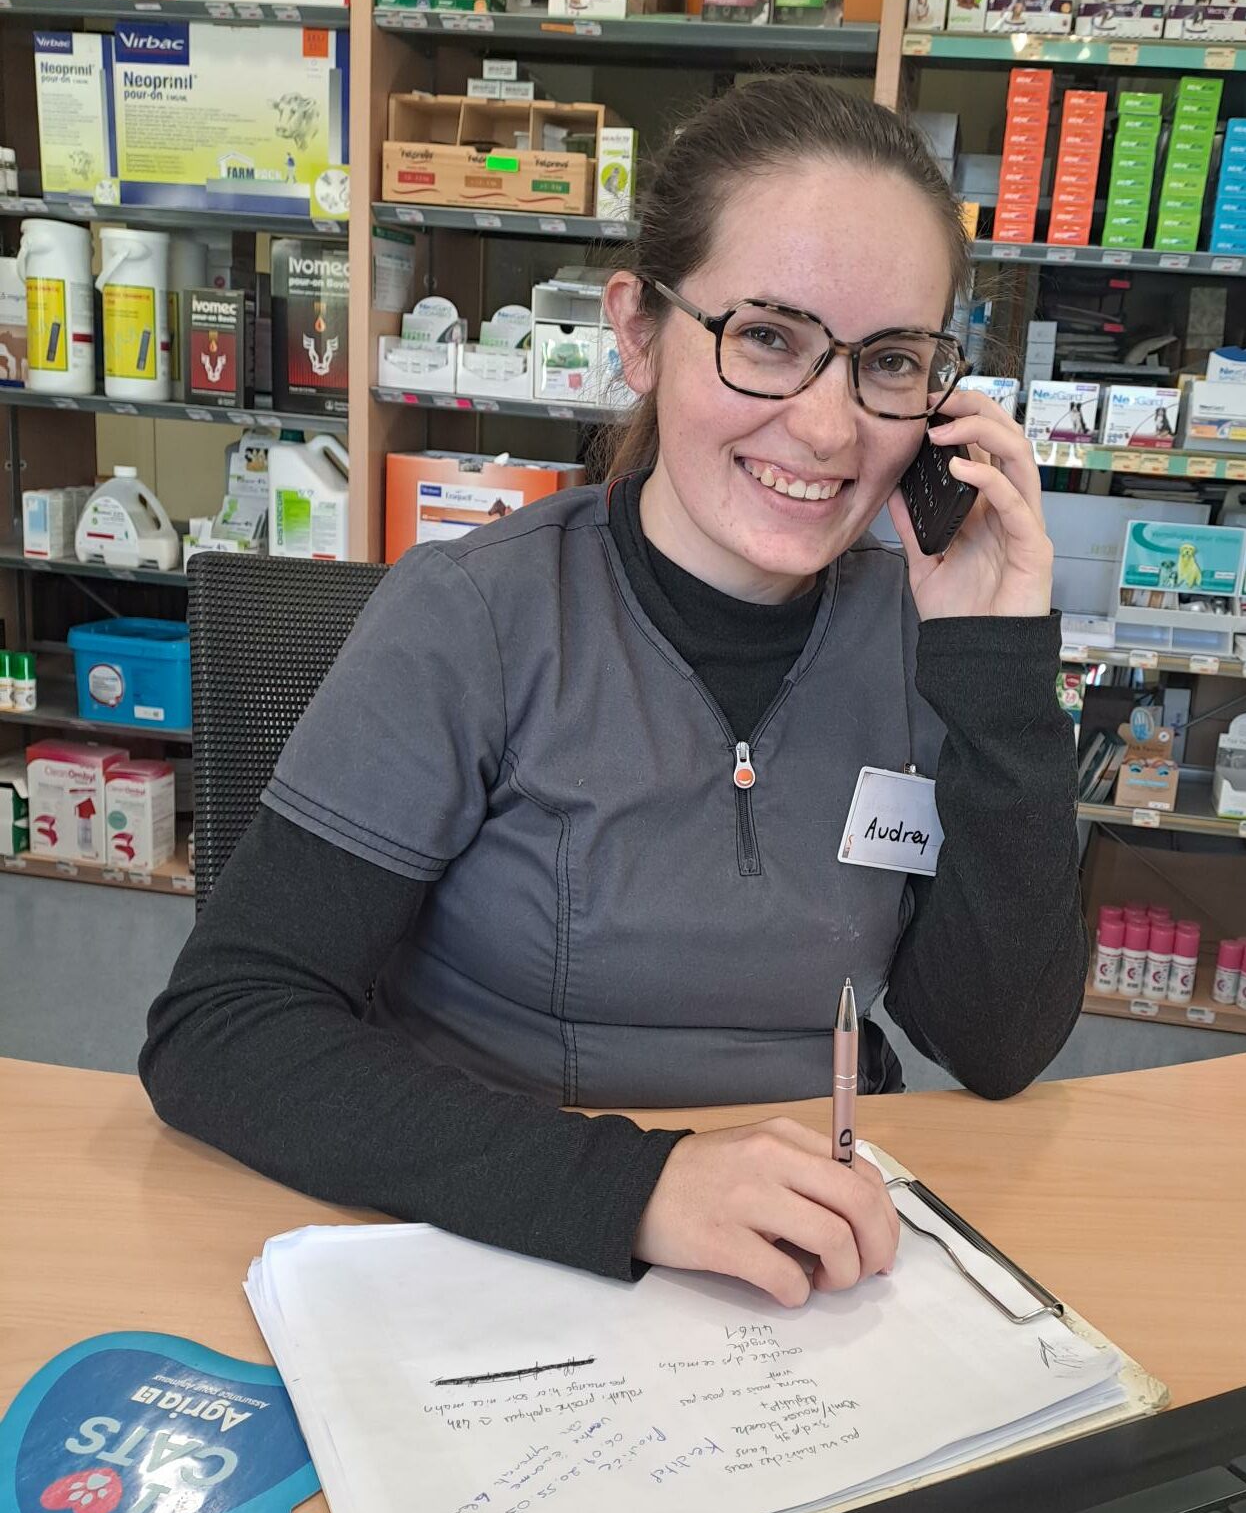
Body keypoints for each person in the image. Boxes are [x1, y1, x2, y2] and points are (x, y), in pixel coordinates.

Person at [141, 74, 1086, 1309]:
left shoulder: (917, 632)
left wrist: (998, 663)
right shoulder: (473, 615)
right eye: (767, 338)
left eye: (890, 362)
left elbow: (999, 1043)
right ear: (638, 331)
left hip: (820, 1265)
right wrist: (639, 1186)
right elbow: (223, 1027)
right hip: (512, 1248)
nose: (827, 427)